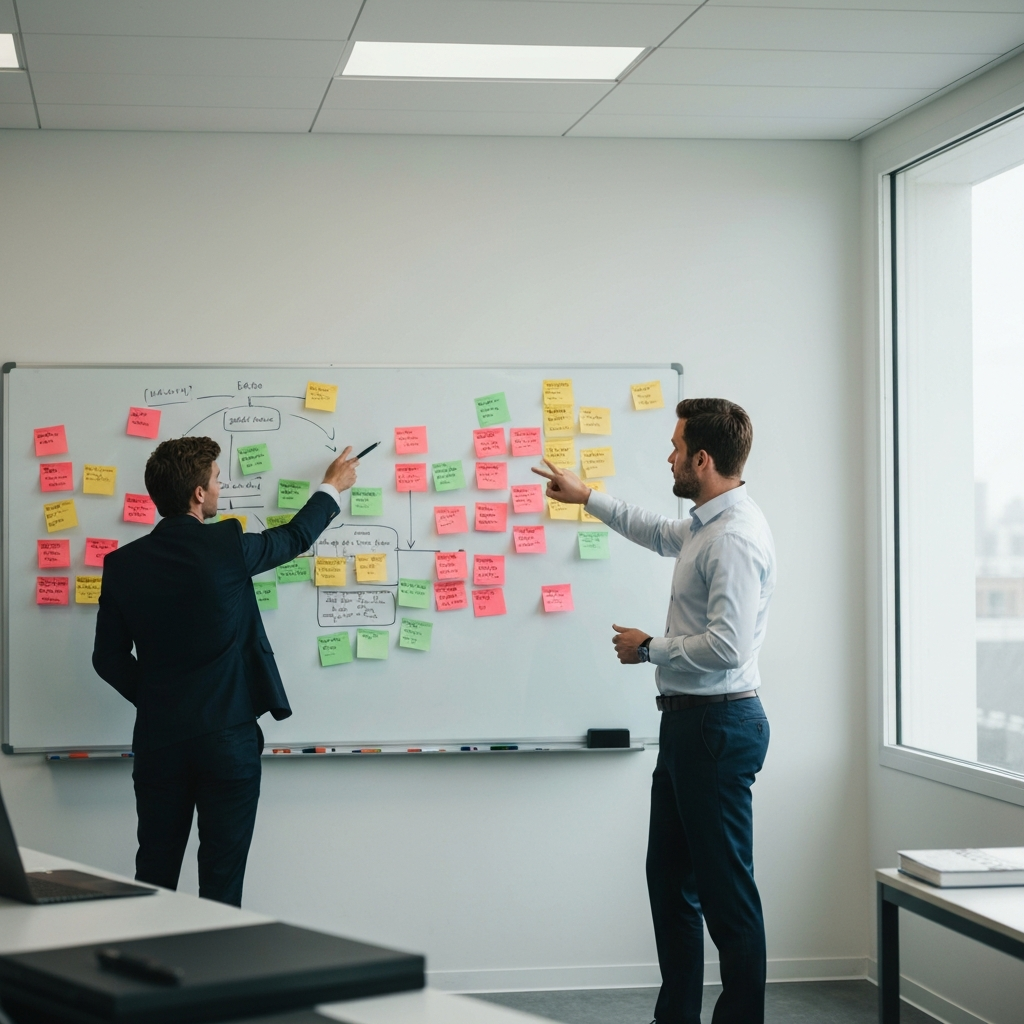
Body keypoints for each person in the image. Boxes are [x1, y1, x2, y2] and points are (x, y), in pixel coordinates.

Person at [533, 398, 775, 1024]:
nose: (668, 456)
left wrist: (650, 649)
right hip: (690, 725)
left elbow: (728, 648)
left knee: (727, 899)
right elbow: (654, 530)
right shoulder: (702, 525)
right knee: (670, 886)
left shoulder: (736, 538)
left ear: (703, 458)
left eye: (675, 447)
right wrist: (587, 496)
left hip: (717, 726)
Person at [93, 437, 359, 907]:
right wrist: (331, 487)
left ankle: (143, 974)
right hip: (228, 741)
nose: (221, 487)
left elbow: (107, 658)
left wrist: (157, 697)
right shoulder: (225, 545)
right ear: (198, 493)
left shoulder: (121, 565)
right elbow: (295, 538)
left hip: (160, 742)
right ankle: (214, 975)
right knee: (221, 883)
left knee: (152, 876)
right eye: (216, 479)